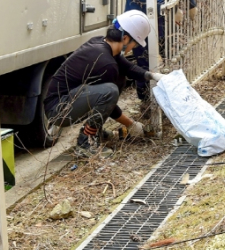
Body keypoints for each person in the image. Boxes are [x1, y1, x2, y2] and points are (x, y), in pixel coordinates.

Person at [43, 10, 165, 157]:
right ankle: (85, 143)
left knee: (117, 81)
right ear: (125, 39)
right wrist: (130, 124)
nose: (134, 48)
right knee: (110, 91)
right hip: (59, 110)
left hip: (66, 100)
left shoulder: (101, 44)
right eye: (135, 44)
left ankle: (96, 131)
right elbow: (108, 103)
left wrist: (152, 75)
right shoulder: (105, 63)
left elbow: (128, 67)